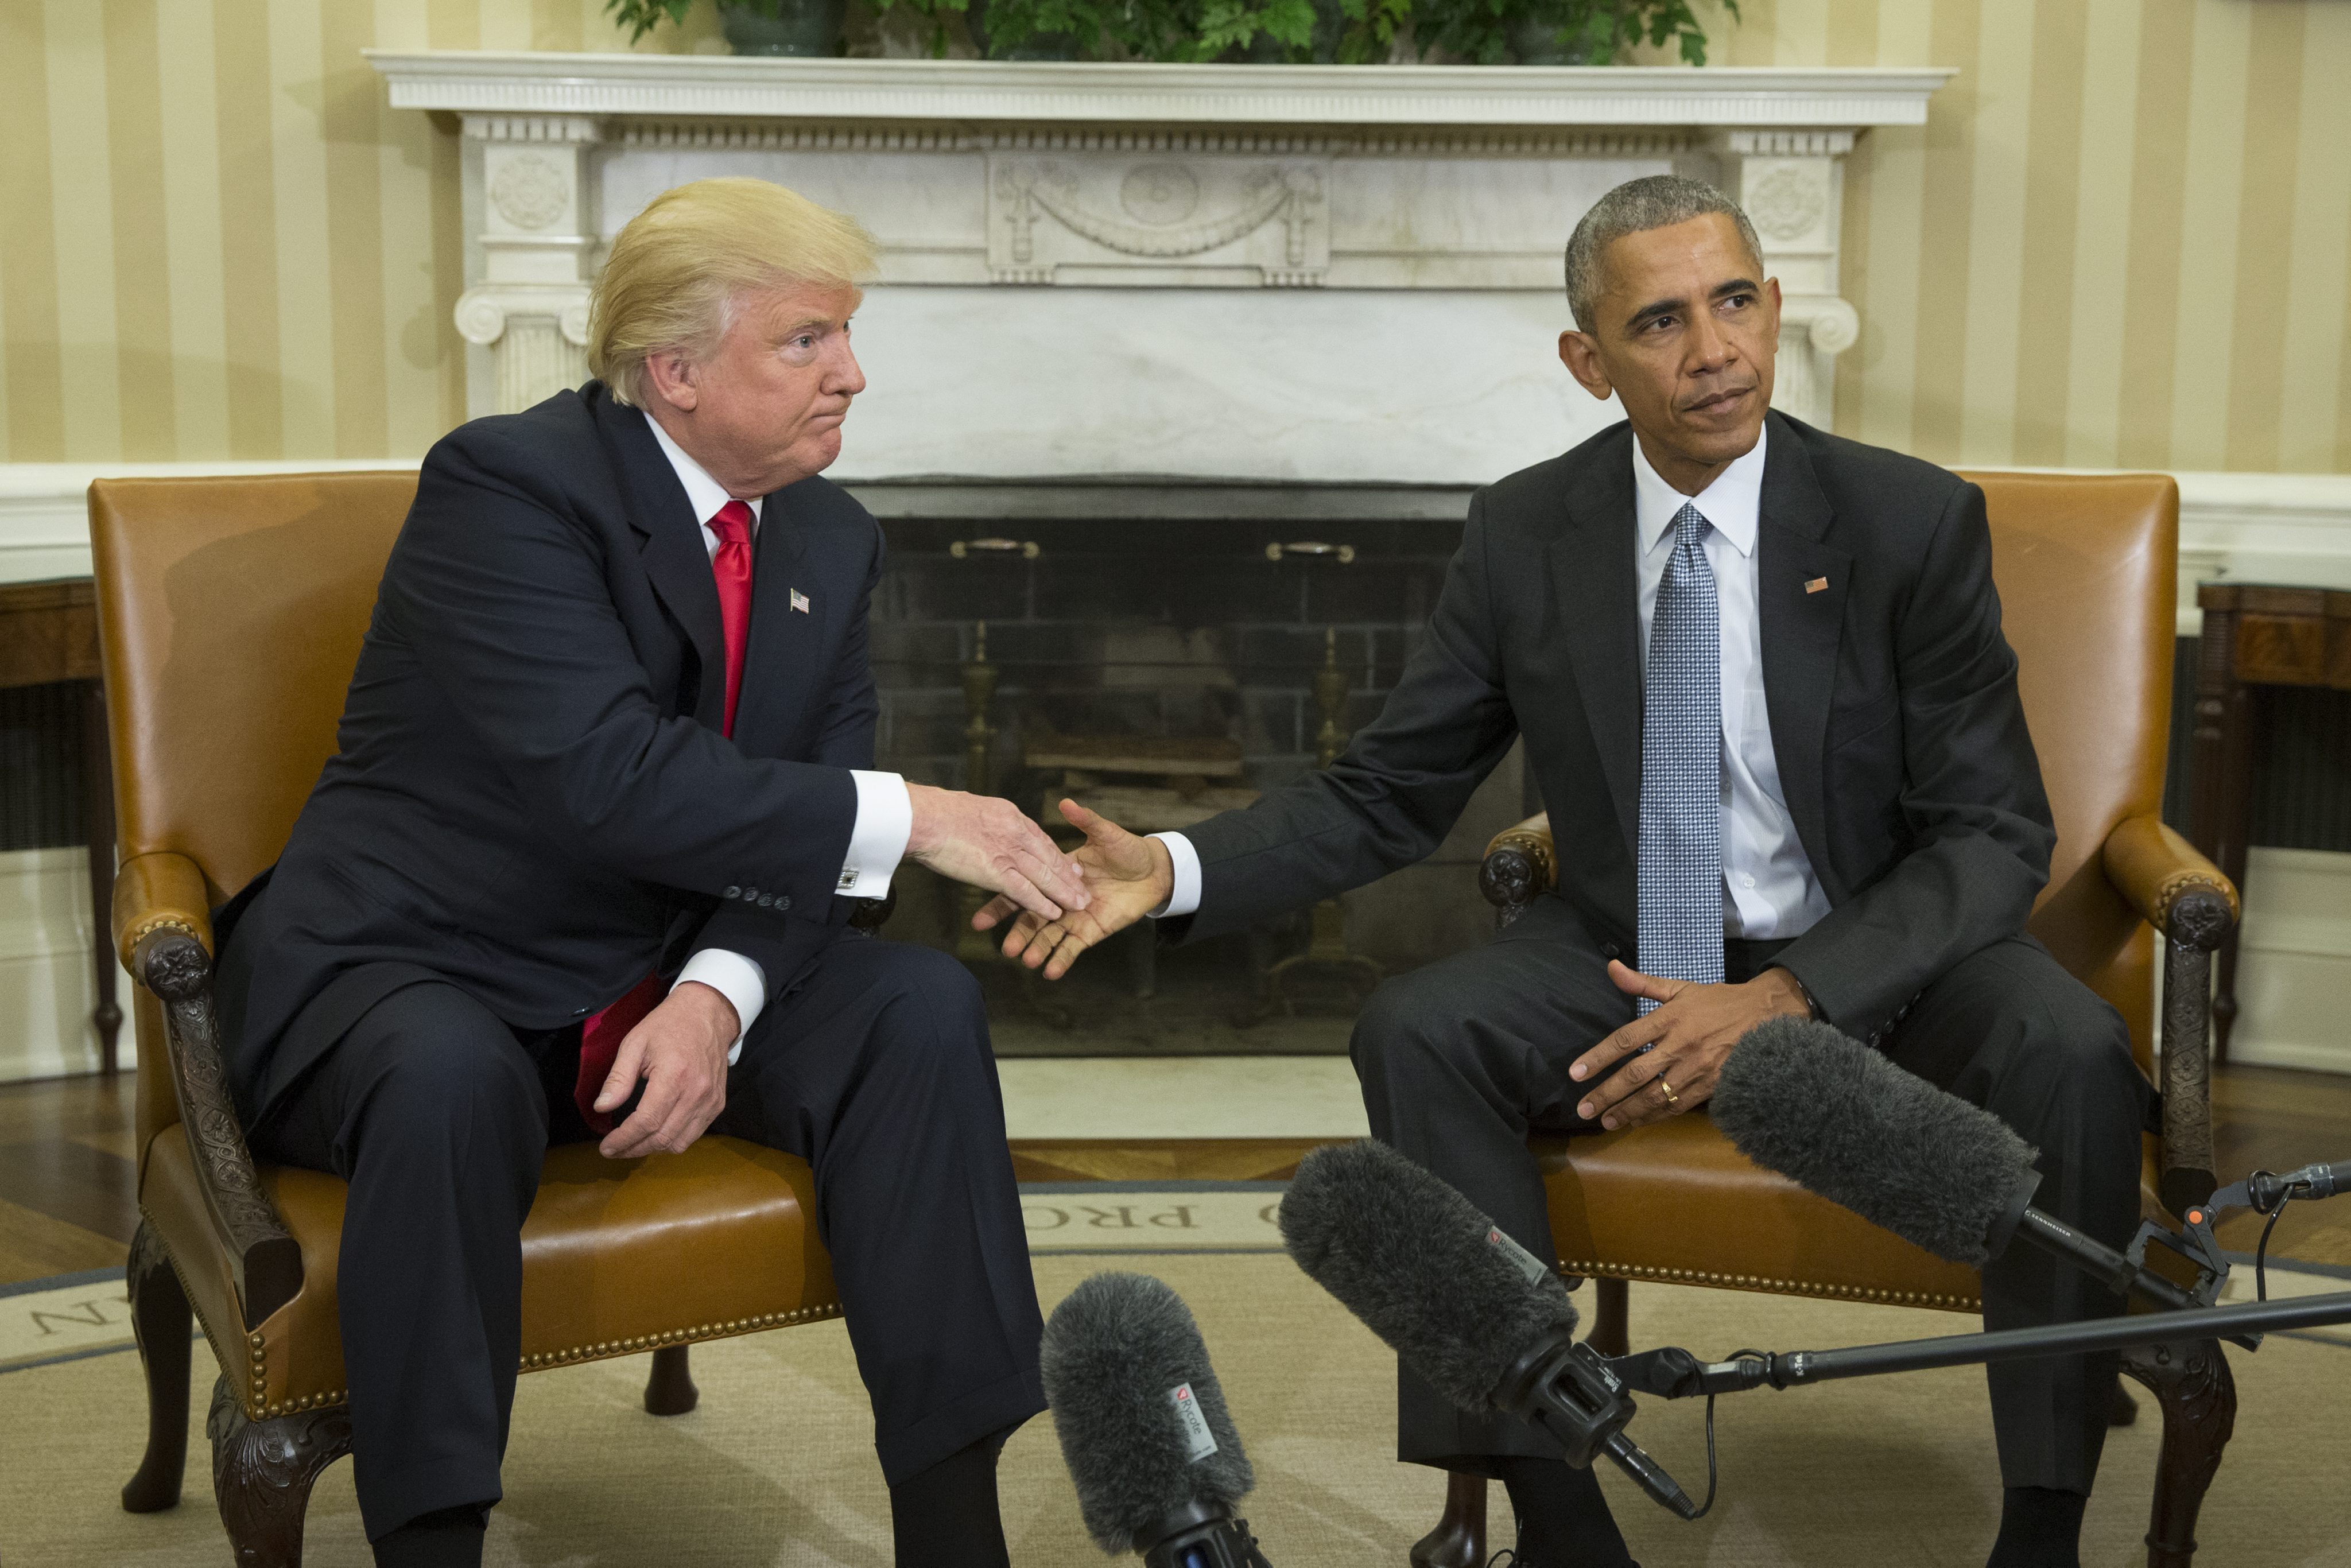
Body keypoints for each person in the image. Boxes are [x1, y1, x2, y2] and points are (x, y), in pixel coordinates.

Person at [980, 174, 2150, 1568]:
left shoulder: (1905, 523)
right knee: (1415, 1027)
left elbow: (1989, 831)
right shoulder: (1526, 533)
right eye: (1658, 322)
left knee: (2068, 1047)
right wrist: (1167, 869)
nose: (1711, 350)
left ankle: (2044, 1517)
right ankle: (1555, 1505)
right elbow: (1387, 789)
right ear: (1586, 363)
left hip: (1882, 949)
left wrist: (1788, 997)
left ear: (1774, 310)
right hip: (1622, 954)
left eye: (1732, 303)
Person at [212, 178, 1085, 1568]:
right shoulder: (507, 486)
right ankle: (431, 1541)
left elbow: (798, 809)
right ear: (673, 373)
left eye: (846, 336)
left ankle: (952, 1528)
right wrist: (914, 814)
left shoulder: (829, 535)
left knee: (916, 1011)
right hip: (424, 958)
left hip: (652, 966)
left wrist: (717, 998)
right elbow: (610, 775)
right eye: (806, 341)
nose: (850, 373)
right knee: (447, 1079)